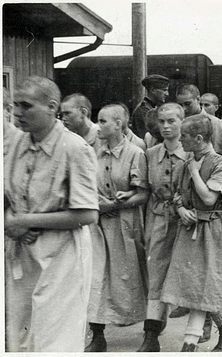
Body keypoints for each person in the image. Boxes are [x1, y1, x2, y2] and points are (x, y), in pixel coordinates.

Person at [5, 76, 99, 352]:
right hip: (21, 253)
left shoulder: (75, 148)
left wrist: (25, 221)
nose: (18, 113)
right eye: (14, 106)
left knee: (54, 339)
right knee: (20, 337)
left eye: (26, 106)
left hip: (62, 257)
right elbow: (8, 195)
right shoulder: (16, 145)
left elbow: (86, 214)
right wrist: (10, 221)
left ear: (51, 106)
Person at [161, 114, 222, 352]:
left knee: (208, 283)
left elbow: (208, 198)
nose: (179, 139)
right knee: (196, 284)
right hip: (191, 229)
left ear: (199, 138)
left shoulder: (220, 164)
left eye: (183, 136)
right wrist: (182, 209)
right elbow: (177, 195)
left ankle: (190, 343)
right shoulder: (187, 163)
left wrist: (195, 172)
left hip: (213, 230)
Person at [85, 103, 150, 352]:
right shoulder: (94, 152)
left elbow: (142, 194)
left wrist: (113, 204)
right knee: (97, 277)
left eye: (102, 121)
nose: (98, 125)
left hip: (126, 225)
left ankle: (150, 332)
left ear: (119, 125)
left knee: (133, 277)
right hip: (99, 227)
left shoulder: (135, 153)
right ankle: (98, 335)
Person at [136, 103, 190, 352]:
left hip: (187, 221)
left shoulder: (192, 153)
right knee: (155, 273)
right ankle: (151, 335)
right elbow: (145, 191)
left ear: (183, 121)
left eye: (172, 121)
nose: (166, 126)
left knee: (191, 272)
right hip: (158, 218)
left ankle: (209, 324)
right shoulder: (150, 154)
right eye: (162, 122)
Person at [176, 83, 222, 155]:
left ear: (198, 99)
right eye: (180, 105)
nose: (184, 109)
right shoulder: (178, 122)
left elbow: (218, 153)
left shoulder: (215, 123)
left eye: (188, 104)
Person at [131, 74, 169, 139]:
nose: (167, 94)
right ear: (153, 90)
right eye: (164, 90)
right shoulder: (143, 110)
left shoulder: (152, 107)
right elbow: (146, 137)